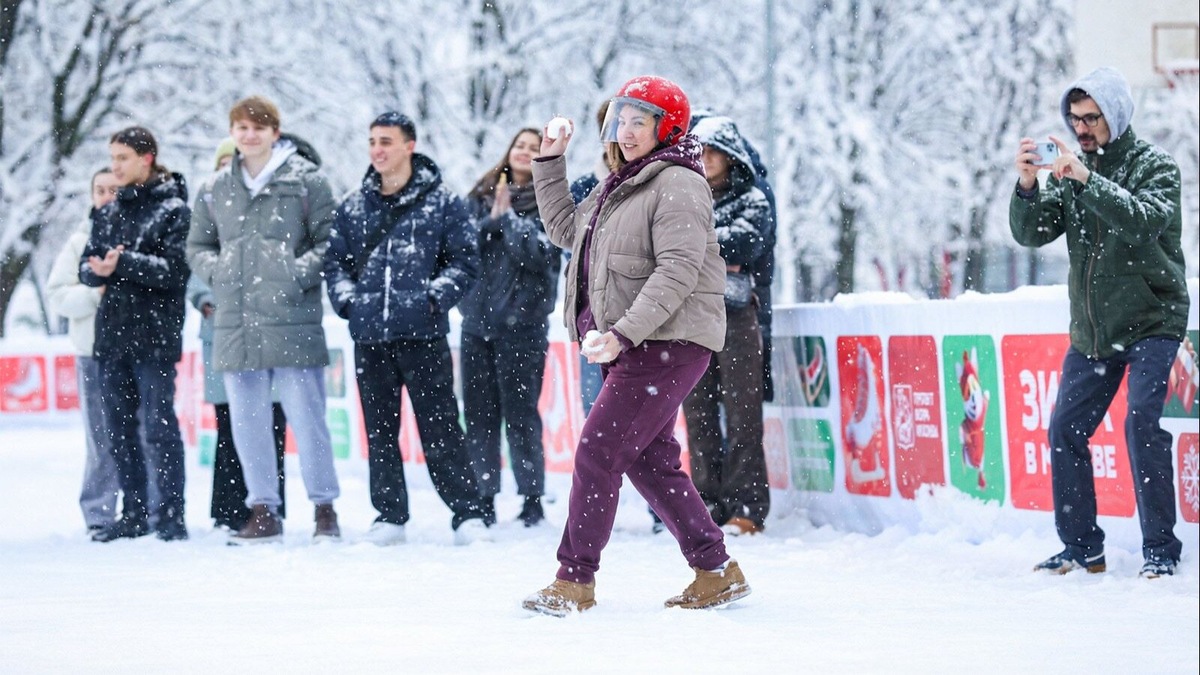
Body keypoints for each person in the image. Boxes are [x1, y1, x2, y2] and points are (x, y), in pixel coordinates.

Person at [521, 76, 750, 616]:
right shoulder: (622, 183)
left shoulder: (678, 184)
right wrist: (550, 162)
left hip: (666, 341)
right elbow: (564, 230)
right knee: (650, 461)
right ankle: (715, 569)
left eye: (638, 121)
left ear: (666, 128)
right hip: (634, 344)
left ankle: (574, 579)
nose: (624, 131)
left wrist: (624, 331)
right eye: (620, 120)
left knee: (599, 451)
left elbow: (678, 270)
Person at [1011, 67, 1189, 579]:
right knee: (1065, 430)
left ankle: (1160, 548)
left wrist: (1087, 179)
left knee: (1141, 424)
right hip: (1094, 332)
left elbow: (1139, 222)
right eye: (1074, 119)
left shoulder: (1156, 167)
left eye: (1092, 119)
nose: (1082, 129)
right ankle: (1081, 547)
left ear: (1116, 115)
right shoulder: (1071, 173)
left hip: (1154, 319)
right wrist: (1027, 187)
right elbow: (1033, 233)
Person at [325, 112, 491, 546]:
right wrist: (349, 302)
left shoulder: (443, 203)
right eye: (372, 141)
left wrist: (432, 298)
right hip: (370, 338)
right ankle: (389, 516)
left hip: (424, 336)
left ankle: (468, 514)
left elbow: (465, 262)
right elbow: (335, 265)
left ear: (409, 146)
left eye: (386, 141)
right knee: (380, 430)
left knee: (440, 428)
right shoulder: (354, 205)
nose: (377, 149)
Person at [187, 96, 341, 544]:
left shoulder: (306, 181)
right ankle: (263, 509)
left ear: (275, 132)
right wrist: (220, 271)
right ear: (232, 133)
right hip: (237, 322)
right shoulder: (215, 187)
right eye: (241, 127)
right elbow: (197, 246)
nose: (249, 135)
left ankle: (324, 508)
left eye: (258, 127)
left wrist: (294, 273)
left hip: (291, 317)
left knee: (307, 418)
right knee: (247, 421)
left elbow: (329, 242)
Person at [80, 127, 190, 543]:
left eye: (123, 157)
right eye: (112, 158)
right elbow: (86, 267)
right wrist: (100, 270)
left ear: (147, 158)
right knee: (119, 428)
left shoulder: (174, 211)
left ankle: (171, 515)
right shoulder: (108, 212)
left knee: (159, 427)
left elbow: (174, 273)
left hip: (155, 336)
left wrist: (121, 266)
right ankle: (135, 512)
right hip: (111, 336)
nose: (115, 167)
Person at [460, 128, 560, 527]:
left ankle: (531, 497)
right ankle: (483, 495)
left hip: (524, 327)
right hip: (476, 327)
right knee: (480, 416)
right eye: (520, 145)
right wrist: (490, 222)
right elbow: (460, 250)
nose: (524, 152)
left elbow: (544, 255)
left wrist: (510, 223)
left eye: (534, 149)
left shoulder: (549, 202)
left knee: (521, 416)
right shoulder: (479, 197)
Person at [189, 139, 288, 532]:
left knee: (269, 424)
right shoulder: (208, 213)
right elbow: (196, 265)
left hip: (268, 333)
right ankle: (229, 509)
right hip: (223, 333)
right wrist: (209, 299)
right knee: (230, 424)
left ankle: (269, 508)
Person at [682, 115, 773, 536]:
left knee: (743, 414)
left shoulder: (753, 198)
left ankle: (747, 508)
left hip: (737, 316)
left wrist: (698, 244)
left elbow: (747, 243)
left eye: (716, 149)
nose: (708, 157)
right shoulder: (681, 195)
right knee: (697, 415)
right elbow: (667, 244)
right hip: (688, 317)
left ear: (732, 155)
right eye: (701, 149)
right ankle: (705, 503)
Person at [47, 168, 123, 534]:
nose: (107, 196)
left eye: (114, 189)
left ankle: (149, 510)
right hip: (93, 353)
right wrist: (95, 295)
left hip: (135, 352)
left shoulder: (141, 236)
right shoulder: (80, 242)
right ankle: (99, 512)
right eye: (100, 190)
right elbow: (58, 294)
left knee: (142, 435)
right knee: (101, 437)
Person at [568, 101, 612, 419]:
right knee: (596, 411)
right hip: (593, 316)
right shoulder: (585, 187)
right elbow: (566, 242)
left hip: (642, 316)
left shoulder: (660, 185)